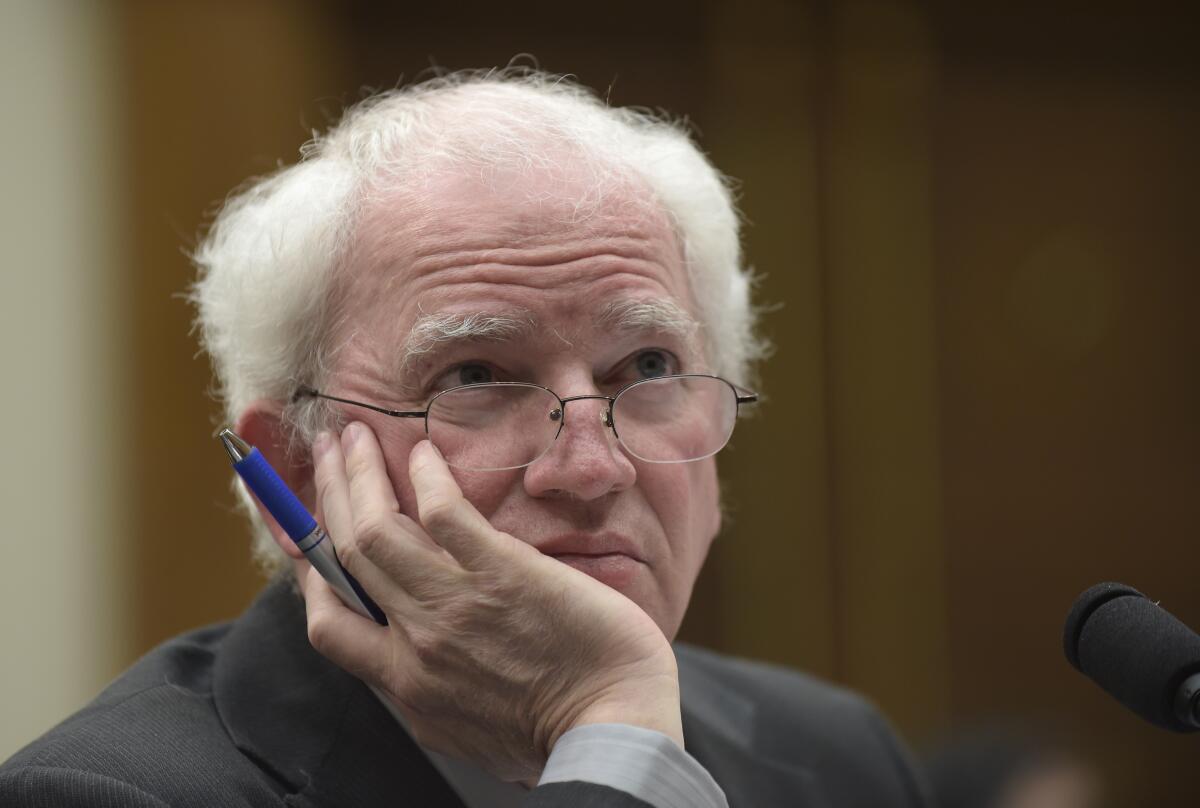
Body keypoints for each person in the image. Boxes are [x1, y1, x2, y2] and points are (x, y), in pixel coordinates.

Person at [0, 70, 929, 807]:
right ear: (296, 472)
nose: (592, 466)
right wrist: (614, 741)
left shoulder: (840, 757)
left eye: (646, 368)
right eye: (476, 378)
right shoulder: (106, 792)